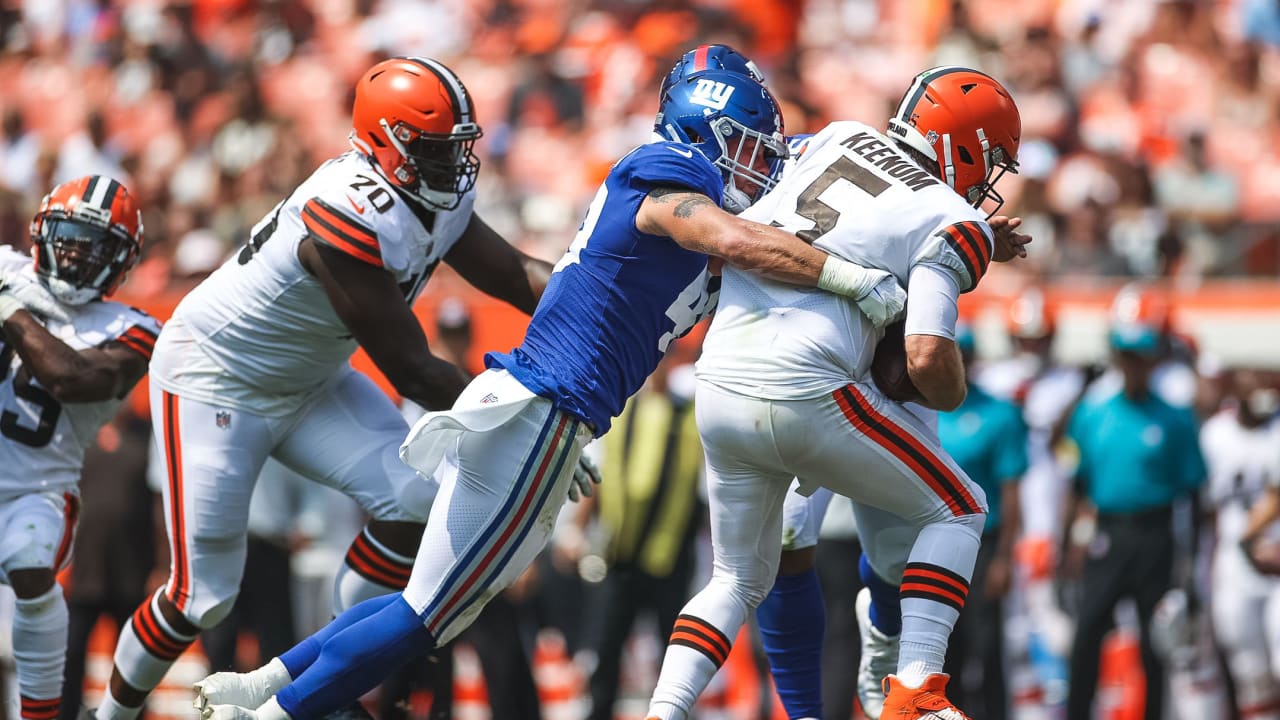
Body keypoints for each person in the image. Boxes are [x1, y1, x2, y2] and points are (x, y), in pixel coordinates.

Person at [193, 66, 906, 719]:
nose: (760, 162)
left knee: (428, 601)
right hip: (546, 409)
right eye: (746, 146)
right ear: (704, 135)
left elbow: (797, 177)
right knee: (430, 619)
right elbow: (732, 238)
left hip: (538, 410)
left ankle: (264, 683)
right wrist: (849, 278)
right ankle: (277, 714)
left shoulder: (689, 184)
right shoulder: (670, 171)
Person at [93, 56, 557, 719]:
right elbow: (414, 371)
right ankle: (109, 715)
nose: (452, 163)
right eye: (433, 147)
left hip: (307, 379)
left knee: (414, 501)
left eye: (457, 146)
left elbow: (513, 272)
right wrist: (532, 425)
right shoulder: (345, 211)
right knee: (203, 596)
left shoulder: (430, 197)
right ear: (385, 141)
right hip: (217, 380)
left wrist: (602, 304)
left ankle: (327, 673)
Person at [645, 66, 1029, 720]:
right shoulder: (950, 216)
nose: (986, 185)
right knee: (959, 507)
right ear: (962, 147)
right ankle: (917, 686)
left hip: (721, 376)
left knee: (733, 580)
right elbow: (927, 354)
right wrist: (953, 390)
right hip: (810, 388)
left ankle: (664, 710)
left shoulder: (827, 140)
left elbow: (863, 211)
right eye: (987, 163)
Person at [0, 175, 157, 720]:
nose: (75, 251)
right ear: (42, 230)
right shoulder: (8, 268)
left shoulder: (133, 328)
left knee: (29, 562)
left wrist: (7, 309)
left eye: (95, 245)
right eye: (67, 234)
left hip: (36, 492)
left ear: (122, 260)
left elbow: (73, 380)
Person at [1060, 296, 1207, 720]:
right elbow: (1076, 485)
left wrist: (1189, 568)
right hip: (1107, 535)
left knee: (1155, 644)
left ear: (1154, 358)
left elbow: (1193, 496)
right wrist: (1062, 555)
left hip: (1155, 536)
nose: (1134, 365)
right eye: (1126, 355)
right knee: (1087, 636)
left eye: (1141, 356)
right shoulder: (1091, 413)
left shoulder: (1176, 420)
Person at [938, 324, 1027, 720]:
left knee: (986, 647)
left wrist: (1004, 558)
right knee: (941, 649)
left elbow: (1011, 492)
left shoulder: (999, 413)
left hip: (981, 544)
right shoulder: (918, 411)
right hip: (932, 543)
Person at [1204, 369, 1280, 718]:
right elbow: (1204, 507)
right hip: (1232, 565)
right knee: (1248, 667)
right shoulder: (1215, 434)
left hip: (1275, 561)